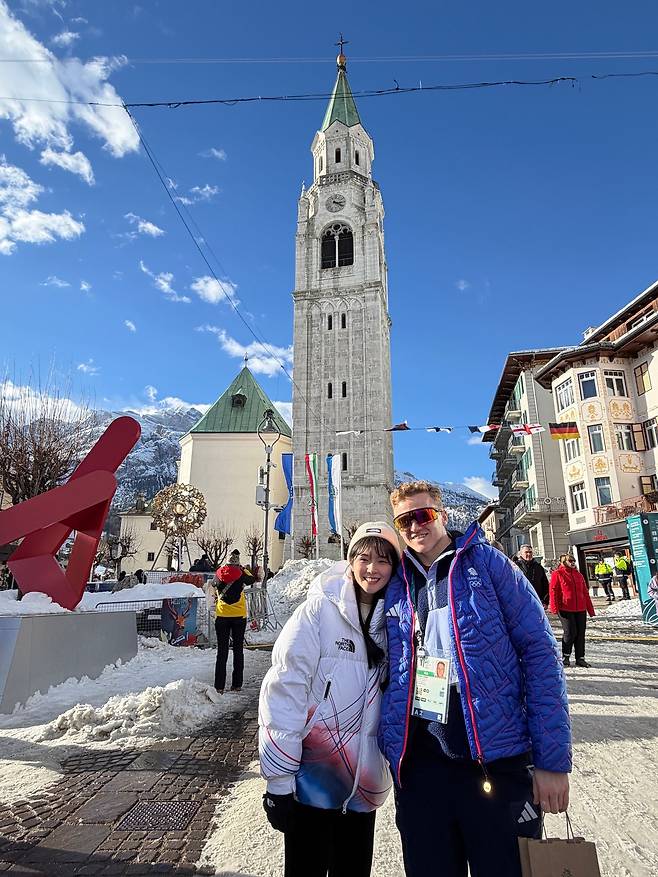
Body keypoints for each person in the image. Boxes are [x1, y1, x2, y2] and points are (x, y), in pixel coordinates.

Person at [379, 481, 571, 877]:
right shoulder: (395, 581)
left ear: (442, 515)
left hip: (494, 762)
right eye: (405, 520)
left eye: (424, 514)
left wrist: (552, 762)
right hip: (420, 768)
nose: (416, 526)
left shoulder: (487, 563)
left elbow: (540, 651)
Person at [259, 522, 401, 877]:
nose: (373, 569)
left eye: (383, 560)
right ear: (350, 560)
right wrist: (278, 779)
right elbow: (284, 687)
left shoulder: (397, 621)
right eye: (364, 558)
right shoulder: (318, 612)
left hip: (364, 787)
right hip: (313, 779)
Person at [214, 555, 254, 693]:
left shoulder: (219, 573)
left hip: (222, 615)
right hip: (239, 616)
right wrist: (243, 569)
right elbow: (252, 578)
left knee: (222, 652)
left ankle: (219, 686)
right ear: (238, 564)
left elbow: (214, 585)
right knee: (238, 651)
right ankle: (237, 684)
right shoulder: (241, 574)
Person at [549, 554, 595, 668]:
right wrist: (554, 608)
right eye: (570, 560)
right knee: (570, 632)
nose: (573, 562)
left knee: (580, 633)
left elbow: (585, 592)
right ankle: (566, 656)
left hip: (580, 608)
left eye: (574, 560)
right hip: (565, 608)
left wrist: (590, 609)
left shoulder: (578, 575)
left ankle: (580, 657)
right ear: (563, 562)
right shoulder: (558, 574)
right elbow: (553, 591)